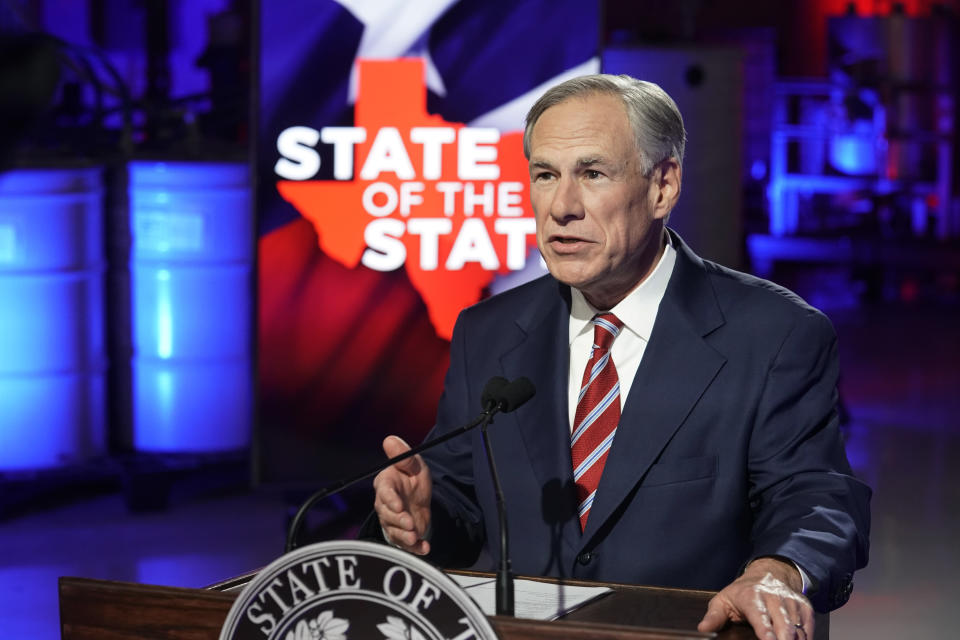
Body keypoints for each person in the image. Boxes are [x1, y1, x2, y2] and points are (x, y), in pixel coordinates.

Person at [371, 74, 870, 640]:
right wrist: (425, 510)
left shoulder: (776, 334)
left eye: (592, 174)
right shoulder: (486, 332)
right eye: (545, 175)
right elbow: (467, 500)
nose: (561, 206)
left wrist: (776, 572)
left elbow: (815, 497)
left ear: (663, 186)